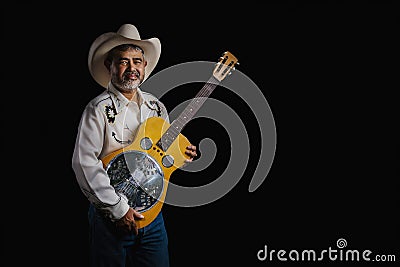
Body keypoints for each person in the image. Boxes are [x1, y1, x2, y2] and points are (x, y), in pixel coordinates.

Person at [72, 23, 197, 267]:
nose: (132, 68)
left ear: (145, 66)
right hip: (110, 218)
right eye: (123, 61)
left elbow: (160, 157)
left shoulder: (157, 107)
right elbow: (84, 163)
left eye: (137, 61)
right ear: (109, 66)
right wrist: (118, 210)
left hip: (153, 217)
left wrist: (182, 153)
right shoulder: (97, 110)